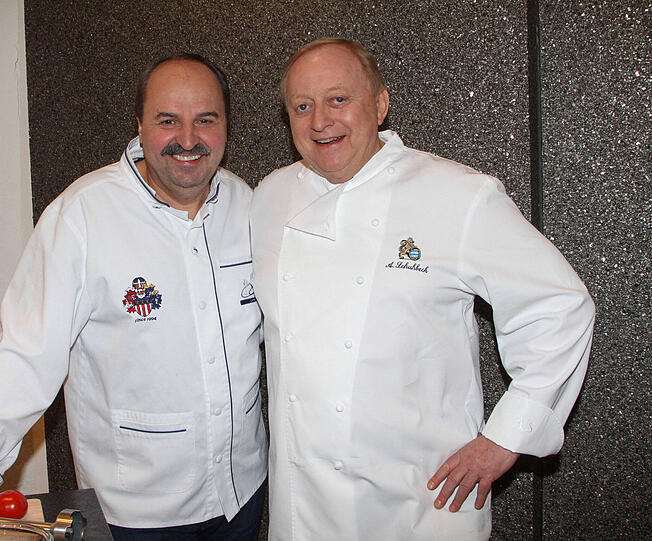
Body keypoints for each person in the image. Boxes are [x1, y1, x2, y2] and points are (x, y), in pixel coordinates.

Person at [0, 54, 267, 540]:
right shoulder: (82, 216)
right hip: (136, 512)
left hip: (242, 491)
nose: (187, 139)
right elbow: (27, 353)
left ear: (226, 126)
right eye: (167, 121)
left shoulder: (248, 206)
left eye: (206, 119)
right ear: (139, 125)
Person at [249, 38, 595, 540]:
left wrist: (507, 436)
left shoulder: (457, 194)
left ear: (380, 104)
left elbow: (559, 305)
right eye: (302, 106)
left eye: (338, 99)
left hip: (421, 501)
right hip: (304, 507)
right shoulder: (269, 197)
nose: (320, 120)